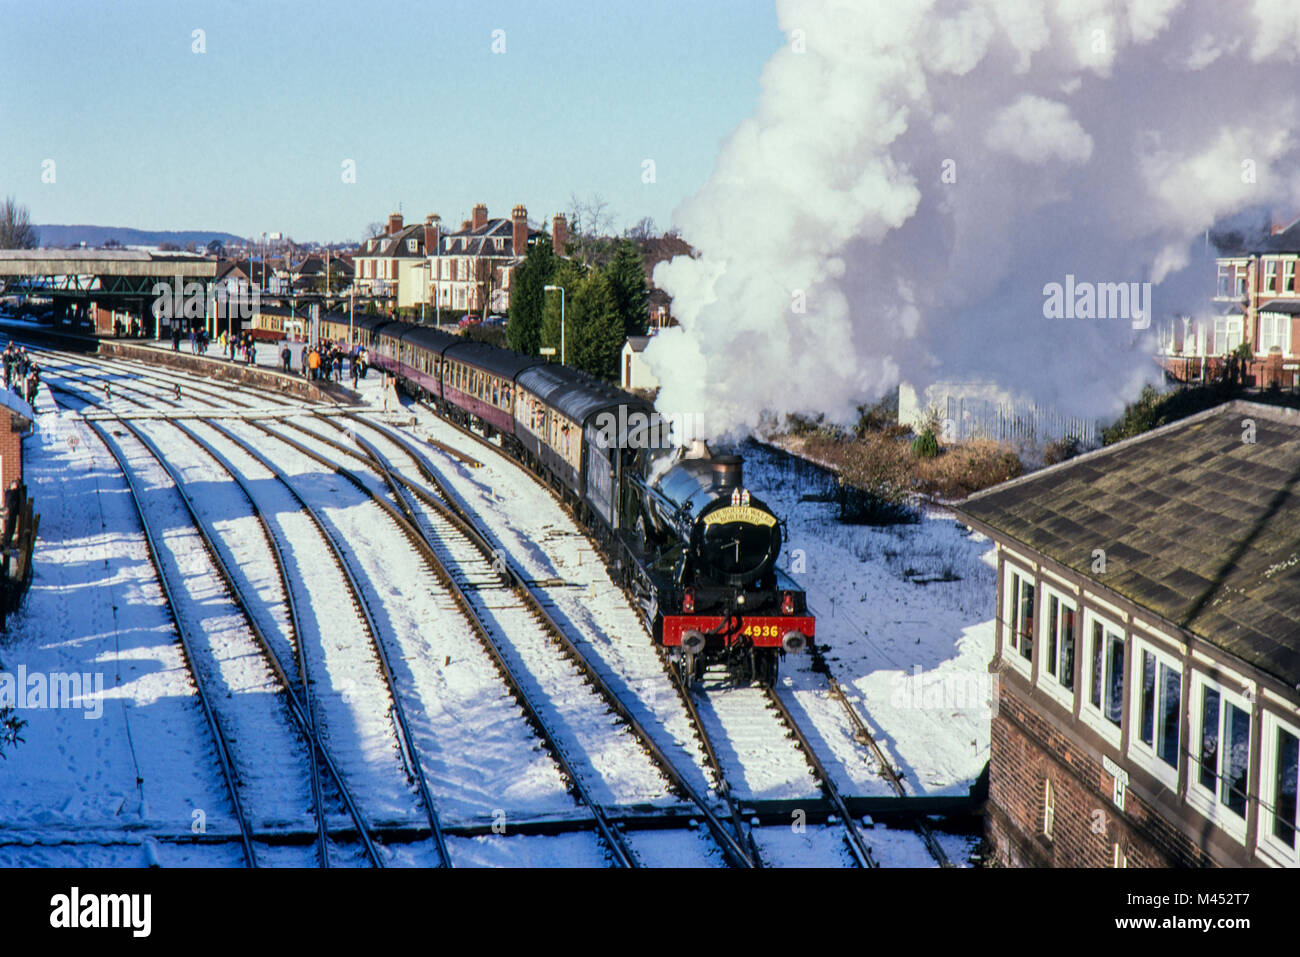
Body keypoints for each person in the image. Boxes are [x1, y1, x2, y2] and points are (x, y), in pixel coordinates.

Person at [2, 479, 22, 549]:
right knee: (8, 529)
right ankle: (6, 543)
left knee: (11, 529)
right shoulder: (10, 493)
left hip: (11, 513)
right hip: (9, 512)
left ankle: (7, 543)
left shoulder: (12, 493)